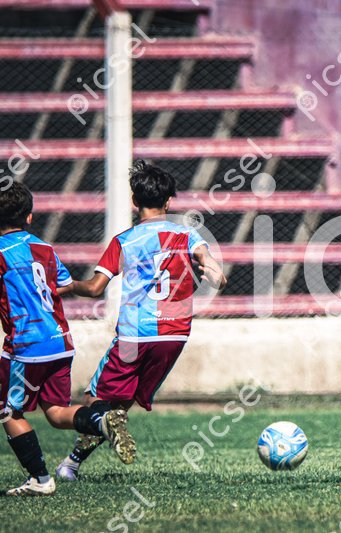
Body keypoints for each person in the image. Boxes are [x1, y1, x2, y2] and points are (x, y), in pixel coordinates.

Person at [56, 160, 226, 480]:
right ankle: (71, 464)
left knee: (95, 399)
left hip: (136, 335)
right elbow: (215, 271)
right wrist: (215, 276)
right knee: (120, 405)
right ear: (169, 202)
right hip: (174, 336)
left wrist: (66, 286)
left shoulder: (124, 240)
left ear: (134, 200)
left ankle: (74, 460)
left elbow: (95, 288)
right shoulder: (187, 235)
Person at [0, 182, 131, 495]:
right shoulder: (45, 249)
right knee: (57, 413)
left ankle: (40, 480)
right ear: (29, 217)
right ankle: (100, 421)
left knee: (9, 411)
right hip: (60, 341)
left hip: (26, 346)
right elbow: (60, 285)